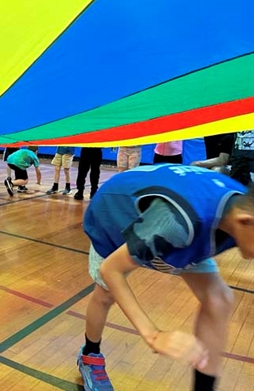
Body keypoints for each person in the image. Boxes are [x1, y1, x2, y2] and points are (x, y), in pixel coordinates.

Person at [77, 164, 253, 391]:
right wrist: (153, 335)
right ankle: (90, 356)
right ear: (246, 221)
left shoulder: (236, 212)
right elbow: (111, 270)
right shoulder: (176, 223)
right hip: (113, 214)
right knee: (105, 294)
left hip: (172, 226)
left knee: (219, 299)